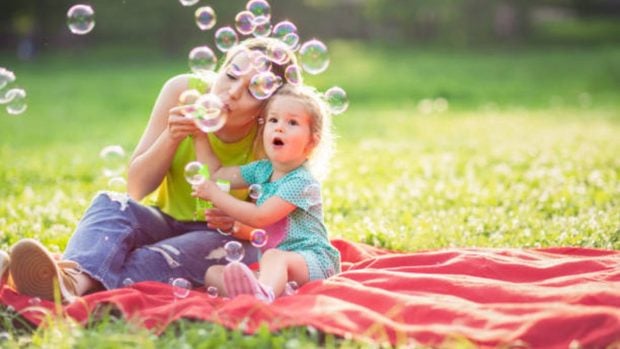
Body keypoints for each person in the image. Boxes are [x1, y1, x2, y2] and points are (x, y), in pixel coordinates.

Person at [2, 37, 300, 302]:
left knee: (157, 256)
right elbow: (137, 188)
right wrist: (170, 136)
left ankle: (46, 281)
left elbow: (277, 230)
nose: (232, 92)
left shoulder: (275, 134)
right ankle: (66, 282)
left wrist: (236, 220)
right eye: (231, 74)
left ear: (269, 107)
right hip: (164, 220)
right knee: (112, 203)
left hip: (224, 239)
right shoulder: (183, 91)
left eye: (252, 90)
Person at [193, 84, 340, 302]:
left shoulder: (301, 181)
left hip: (314, 262)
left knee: (273, 256)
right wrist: (199, 135)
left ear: (312, 142)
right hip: (278, 268)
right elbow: (217, 174)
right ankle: (262, 291)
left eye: (292, 122)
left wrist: (215, 195)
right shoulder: (262, 170)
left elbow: (259, 216)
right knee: (213, 273)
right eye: (273, 120)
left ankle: (263, 296)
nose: (279, 128)